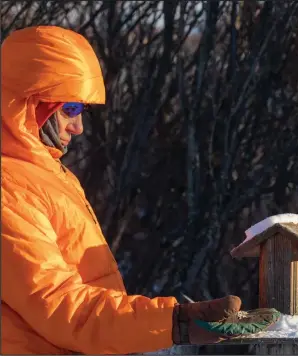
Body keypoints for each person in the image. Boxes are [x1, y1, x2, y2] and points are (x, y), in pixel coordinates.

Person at [1, 26, 277, 355]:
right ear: (29, 103)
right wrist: (176, 323)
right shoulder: (9, 188)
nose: (79, 127)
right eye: (70, 109)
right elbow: (60, 305)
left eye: (82, 111)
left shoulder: (47, 176)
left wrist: (170, 326)